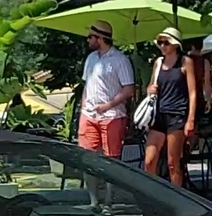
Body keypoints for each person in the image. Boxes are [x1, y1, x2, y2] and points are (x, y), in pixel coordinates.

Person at [142, 28, 199, 188]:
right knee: (149, 160)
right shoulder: (158, 63)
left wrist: (191, 119)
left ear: (175, 44)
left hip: (177, 115)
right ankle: (152, 195)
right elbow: (152, 85)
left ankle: (177, 197)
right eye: (160, 42)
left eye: (166, 42)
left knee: (173, 163)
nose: (162, 46)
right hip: (158, 115)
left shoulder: (185, 62)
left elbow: (192, 92)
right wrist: (150, 89)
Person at [75, 22, 136, 158]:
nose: (88, 40)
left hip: (112, 116)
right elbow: (87, 84)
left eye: (91, 37)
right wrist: (84, 106)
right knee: (86, 158)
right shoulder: (91, 58)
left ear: (100, 38)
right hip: (89, 115)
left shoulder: (120, 60)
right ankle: (90, 181)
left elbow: (129, 89)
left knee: (112, 160)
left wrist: (108, 105)